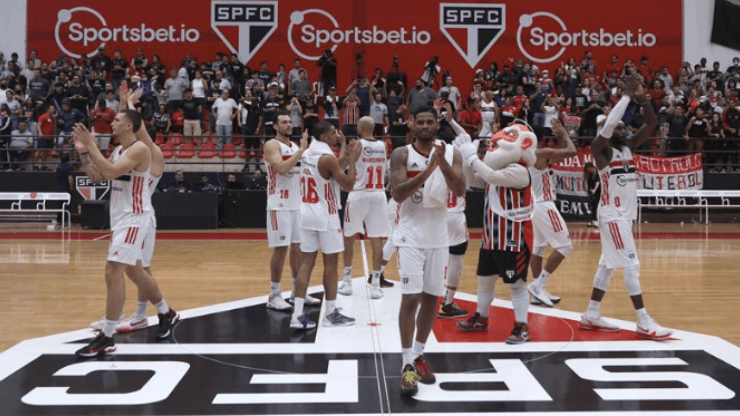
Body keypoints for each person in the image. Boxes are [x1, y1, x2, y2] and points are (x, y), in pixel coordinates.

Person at [72, 110, 179, 357]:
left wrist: (91, 145)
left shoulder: (140, 149)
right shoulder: (119, 151)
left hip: (136, 217)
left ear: (129, 125)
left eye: (117, 120)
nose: (112, 123)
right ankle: (166, 312)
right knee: (133, 270)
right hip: (120, 218)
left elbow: (109, 172)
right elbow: (99, 175)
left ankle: (107, 336)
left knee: (113, 271)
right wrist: (84, 152)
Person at [579, 74, 672, 340]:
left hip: (623, 217)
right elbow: (607, 128)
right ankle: (643, 321)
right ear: (605, 131)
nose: (621, 129)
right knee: (631, 266)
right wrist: (627, 96)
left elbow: (652, 123)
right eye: (615, 127)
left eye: (622, 126)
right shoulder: (601, 150)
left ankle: (591, 314)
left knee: (607, 265)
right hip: (612, 216)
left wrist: (643, 100)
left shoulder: (629, 146)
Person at [390, 106, 465, 396]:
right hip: (410, 235)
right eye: (419, 121)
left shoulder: (451, 153)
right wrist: (427, 172)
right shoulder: (401, 153)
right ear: (412, 123)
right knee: (410, 299)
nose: (424, 126)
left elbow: (460, 188)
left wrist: (442, 166)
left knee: (433, 299)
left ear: (436, 125)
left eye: (429, 122)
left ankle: (420, 355)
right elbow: (397, 193)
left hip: (438, 237)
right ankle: (406, 363)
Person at [291, 122, 361, 329]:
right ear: (322, 137)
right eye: (332, 133)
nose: (336, 134)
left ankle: (297, 315)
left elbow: (332, 168)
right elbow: (347, 184)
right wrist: (354, 162)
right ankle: (331, 314)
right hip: (326, 214)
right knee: (331, 265)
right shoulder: (327, 157)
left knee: (306, 264)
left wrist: (344, 149)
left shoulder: (306, 154)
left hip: (306, 213)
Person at [263, 111, 319, 312]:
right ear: (276, 127)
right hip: (279, 204)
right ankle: (274, 294)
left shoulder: (294, 146)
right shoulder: (272, 145)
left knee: (297, 248)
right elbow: (282, 169)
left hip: (297, 204)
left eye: (290, 122)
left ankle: (297, 290)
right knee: (281, 248)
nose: (289, 125)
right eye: (284, 122)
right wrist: (301, 151)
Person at [340, 117, 393, 299]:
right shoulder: (384, 146)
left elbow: (347, 166)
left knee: (348, 236)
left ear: (361, 127)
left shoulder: (358, 145)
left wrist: (347, 151)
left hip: (359, 192)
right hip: (378, 193)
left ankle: (347, 281)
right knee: (377, 239)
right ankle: (376, 284)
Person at [525, 118, 577, 307]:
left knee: (538, 249)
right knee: (565, 246)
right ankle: (539, 284)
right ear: (539, 139)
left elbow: (560, 153)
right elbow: (571, 152)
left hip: (533, 206)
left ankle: (539, 290)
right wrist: (564, 134)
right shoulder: (541, 152)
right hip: (544, 205)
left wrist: (560, 138)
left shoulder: (529, 154)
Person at [583, 162, 600, 226]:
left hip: (598, 190)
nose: (589, 170)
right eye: (587, 169)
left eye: (590, 168)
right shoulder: (587, 174)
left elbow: (597, 183)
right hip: (591, 191)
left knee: (596, 205)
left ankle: (595, 220)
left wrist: (594, 191)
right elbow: (586, 182)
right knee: (591, 206)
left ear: (592, 167)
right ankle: (591, 220)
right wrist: (586, 192)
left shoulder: (597, 172)